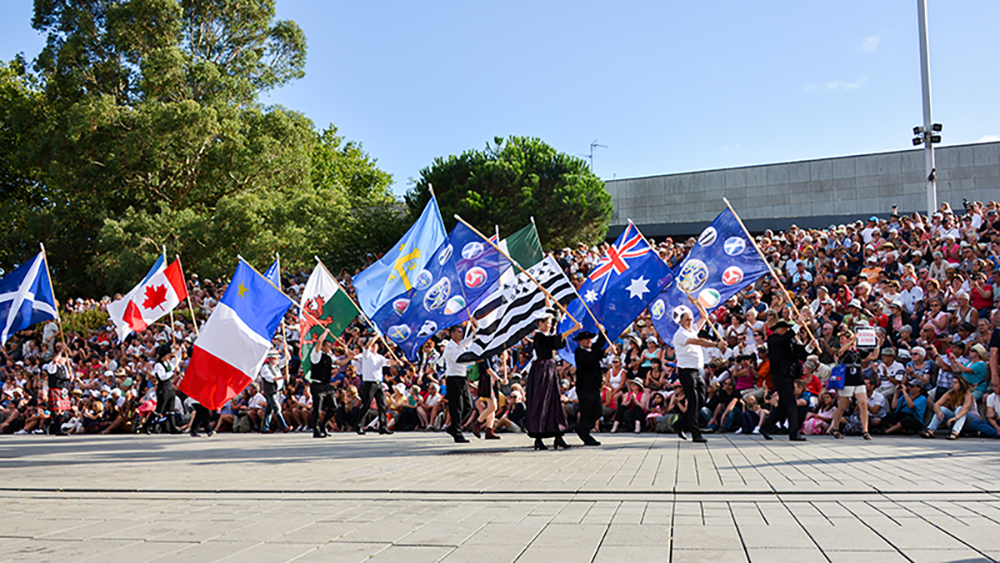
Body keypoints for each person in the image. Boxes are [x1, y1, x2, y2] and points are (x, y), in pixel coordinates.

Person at [671, 305, 726, 443]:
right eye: (687, 320)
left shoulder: (692, 330)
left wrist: (697, 303)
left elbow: (704, 316)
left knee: (701, 400)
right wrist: (716, 345)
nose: (690, 322)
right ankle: (696, 434)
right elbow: (697, 341)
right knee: (694, 400)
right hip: (686, 371)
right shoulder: (680, 334)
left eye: (691, 319)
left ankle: (680, 424)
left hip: (697, 370)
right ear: (681, 321)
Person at [526, 310, 581, 450]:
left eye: (551, 323)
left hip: (549, 369)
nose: (550, 325)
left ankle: (558, 436)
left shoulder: (545, 335)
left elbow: (557, 342)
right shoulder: (538, 336)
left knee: (553, 401)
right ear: (541, 323)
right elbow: (553, 342)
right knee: (542, 401)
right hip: (542, 371)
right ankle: (538, 438)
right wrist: (572, 330)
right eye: (548, 323)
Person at [760, 317, 816, 442]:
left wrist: (810, 347)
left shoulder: (787, 342)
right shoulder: (773, 339)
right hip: (780, 376)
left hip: (788, 376)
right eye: (786, 328)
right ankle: (793, 433)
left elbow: (800, 353)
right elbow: (784, 339)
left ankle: (765, 427)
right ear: (780, 330)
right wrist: (797, 325)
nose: (787, 330)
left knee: (783, 406)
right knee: (791, 404)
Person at [309, 329, 352, 438]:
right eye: (328, 346)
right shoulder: (316, 354)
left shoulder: (329, 357)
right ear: (323, 347)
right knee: (317, 409)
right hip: (317, 385)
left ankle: (324, 426)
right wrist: (326, 332)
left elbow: (339, 362)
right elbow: (319, 341)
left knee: (333, 407)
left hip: (327, 385)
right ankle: (316, 430)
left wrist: (350, 358)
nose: (330, 348)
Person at [355, 337, 398, 436]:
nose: (374, 346)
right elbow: (367, 346)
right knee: (366, 404)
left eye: (376, 345)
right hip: (369, 383)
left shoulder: (379, 357)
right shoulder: (366, 355)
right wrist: (375, 336)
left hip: (378, 383)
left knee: (382, 405)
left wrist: (396, 362)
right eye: (373, 345)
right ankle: (358, 425)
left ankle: (383, 426)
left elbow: (387, 362)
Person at [442, 323, 477, 443]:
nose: (461, 334)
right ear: (452, 334)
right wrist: (475, 360)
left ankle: (453, 427)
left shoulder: (460, 345)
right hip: (453, 378)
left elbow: (469, 340)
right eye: (458, 332)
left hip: (462, 378)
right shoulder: (450, 347)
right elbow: (459, 360)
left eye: (461, 332)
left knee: (468, 406)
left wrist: (474, 328)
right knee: (456, 407)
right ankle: (457, 433)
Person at [573, 328, 607, 446]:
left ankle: (582, 427)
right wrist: (605, 352)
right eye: (585, 340)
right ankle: (585, 433)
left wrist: (603, 331)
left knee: (597, 411)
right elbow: (591, 357)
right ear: (580, 341)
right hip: (584, 387)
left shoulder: (592, 349)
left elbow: (599, 344)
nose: (588, 341)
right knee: (586, 411)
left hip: (594, 386)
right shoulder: (579, 352)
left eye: (589, 339)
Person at [144, 345, 180, 434]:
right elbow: (162, 377)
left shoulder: (168, 364)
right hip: (163, 388)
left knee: (171, 409)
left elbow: (177, 360)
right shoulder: (158, 365)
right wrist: (172, 372)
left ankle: (173, 427)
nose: (169, 356)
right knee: (159, 409)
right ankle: (147, 425)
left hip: (169, 387)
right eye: (168, 355)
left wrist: (178, 350)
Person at [43, 347, 73, 435]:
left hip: (63, 390)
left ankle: (57, 429)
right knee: (57, 410)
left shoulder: (65, 368)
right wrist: (61, 351)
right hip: (55, 388)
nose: (65, 359)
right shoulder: (52, 366)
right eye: (63, 358)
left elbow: (68, 378)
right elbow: (54, 361)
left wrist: (71, 377)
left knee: (62, 410)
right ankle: (47, 424)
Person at [259, 349, 288, 433]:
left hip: (277, 391)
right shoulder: (265, 368)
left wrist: (285, 350)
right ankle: (284, 426)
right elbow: (271, 378)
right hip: (271, 391)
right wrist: (283, 378)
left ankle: (265, 427)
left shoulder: (276, 366)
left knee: (269, 409)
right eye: (277, 357)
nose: (278, 359)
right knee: (277, 408)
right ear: (271, 358)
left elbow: (287, 359)